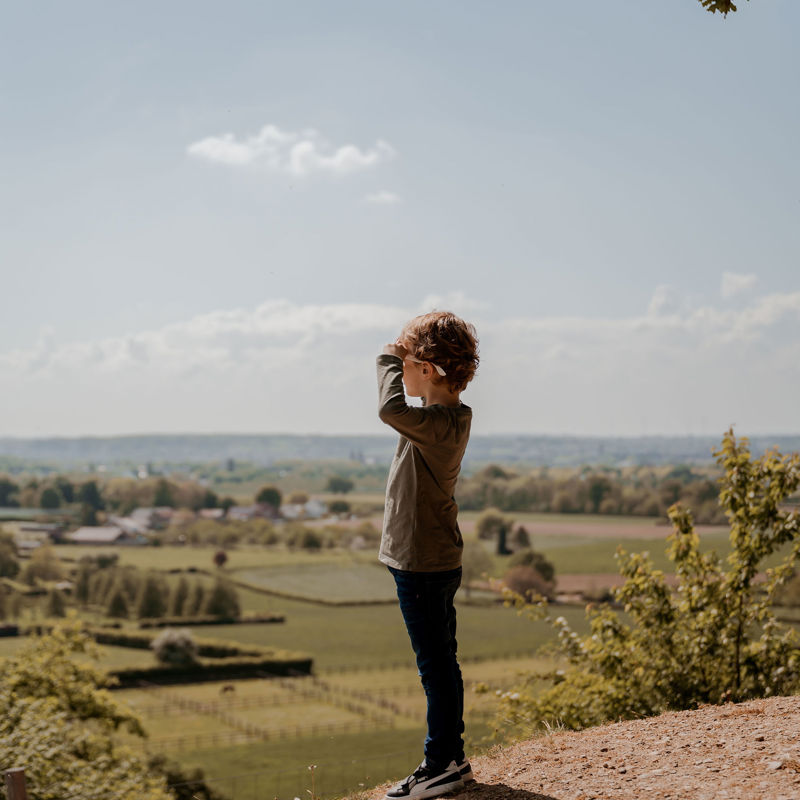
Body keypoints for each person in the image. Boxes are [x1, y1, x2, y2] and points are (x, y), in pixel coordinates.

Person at [376, 310, 480, 800]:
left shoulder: (440, 423)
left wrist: (386, 360)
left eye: (410, 361)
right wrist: (406, 357)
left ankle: (441, 763)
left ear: (430, 370)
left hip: (423, 562)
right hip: (425, 558)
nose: (402, 367)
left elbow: (389, 410)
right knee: (441, 661)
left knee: (435, 666)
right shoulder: (438, 420)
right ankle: (451, 758)